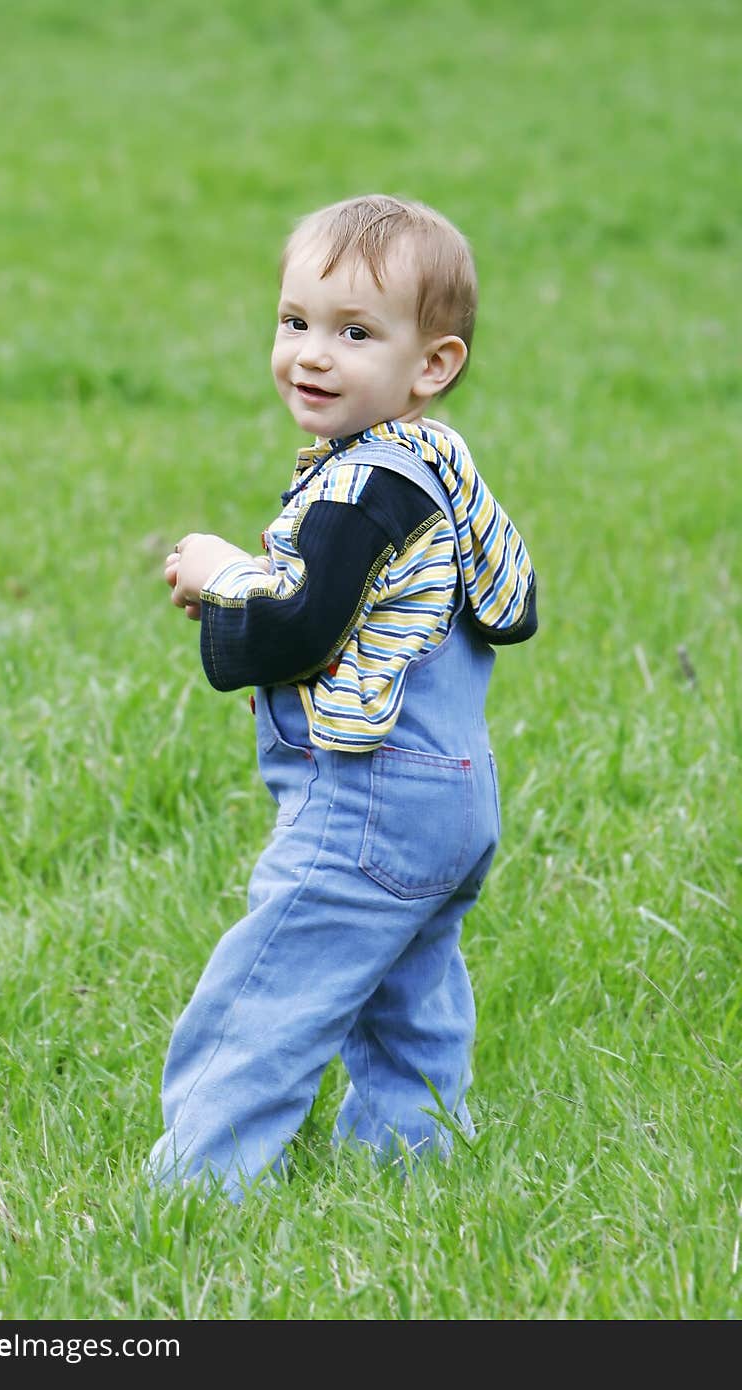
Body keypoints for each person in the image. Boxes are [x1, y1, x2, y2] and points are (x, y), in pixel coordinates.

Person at [147, 194, 537, 1199]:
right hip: (452, 794)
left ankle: (197, 1191)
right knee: (410, 996)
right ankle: (411, 1172)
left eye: (355, 332)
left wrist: (222, 573)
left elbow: (292, 627)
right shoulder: (440, 468)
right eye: (296, 322)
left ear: (431, 364)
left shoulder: (363, 487)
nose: (313, 354)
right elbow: (511, 604)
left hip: (365, 794)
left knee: (265, 994)